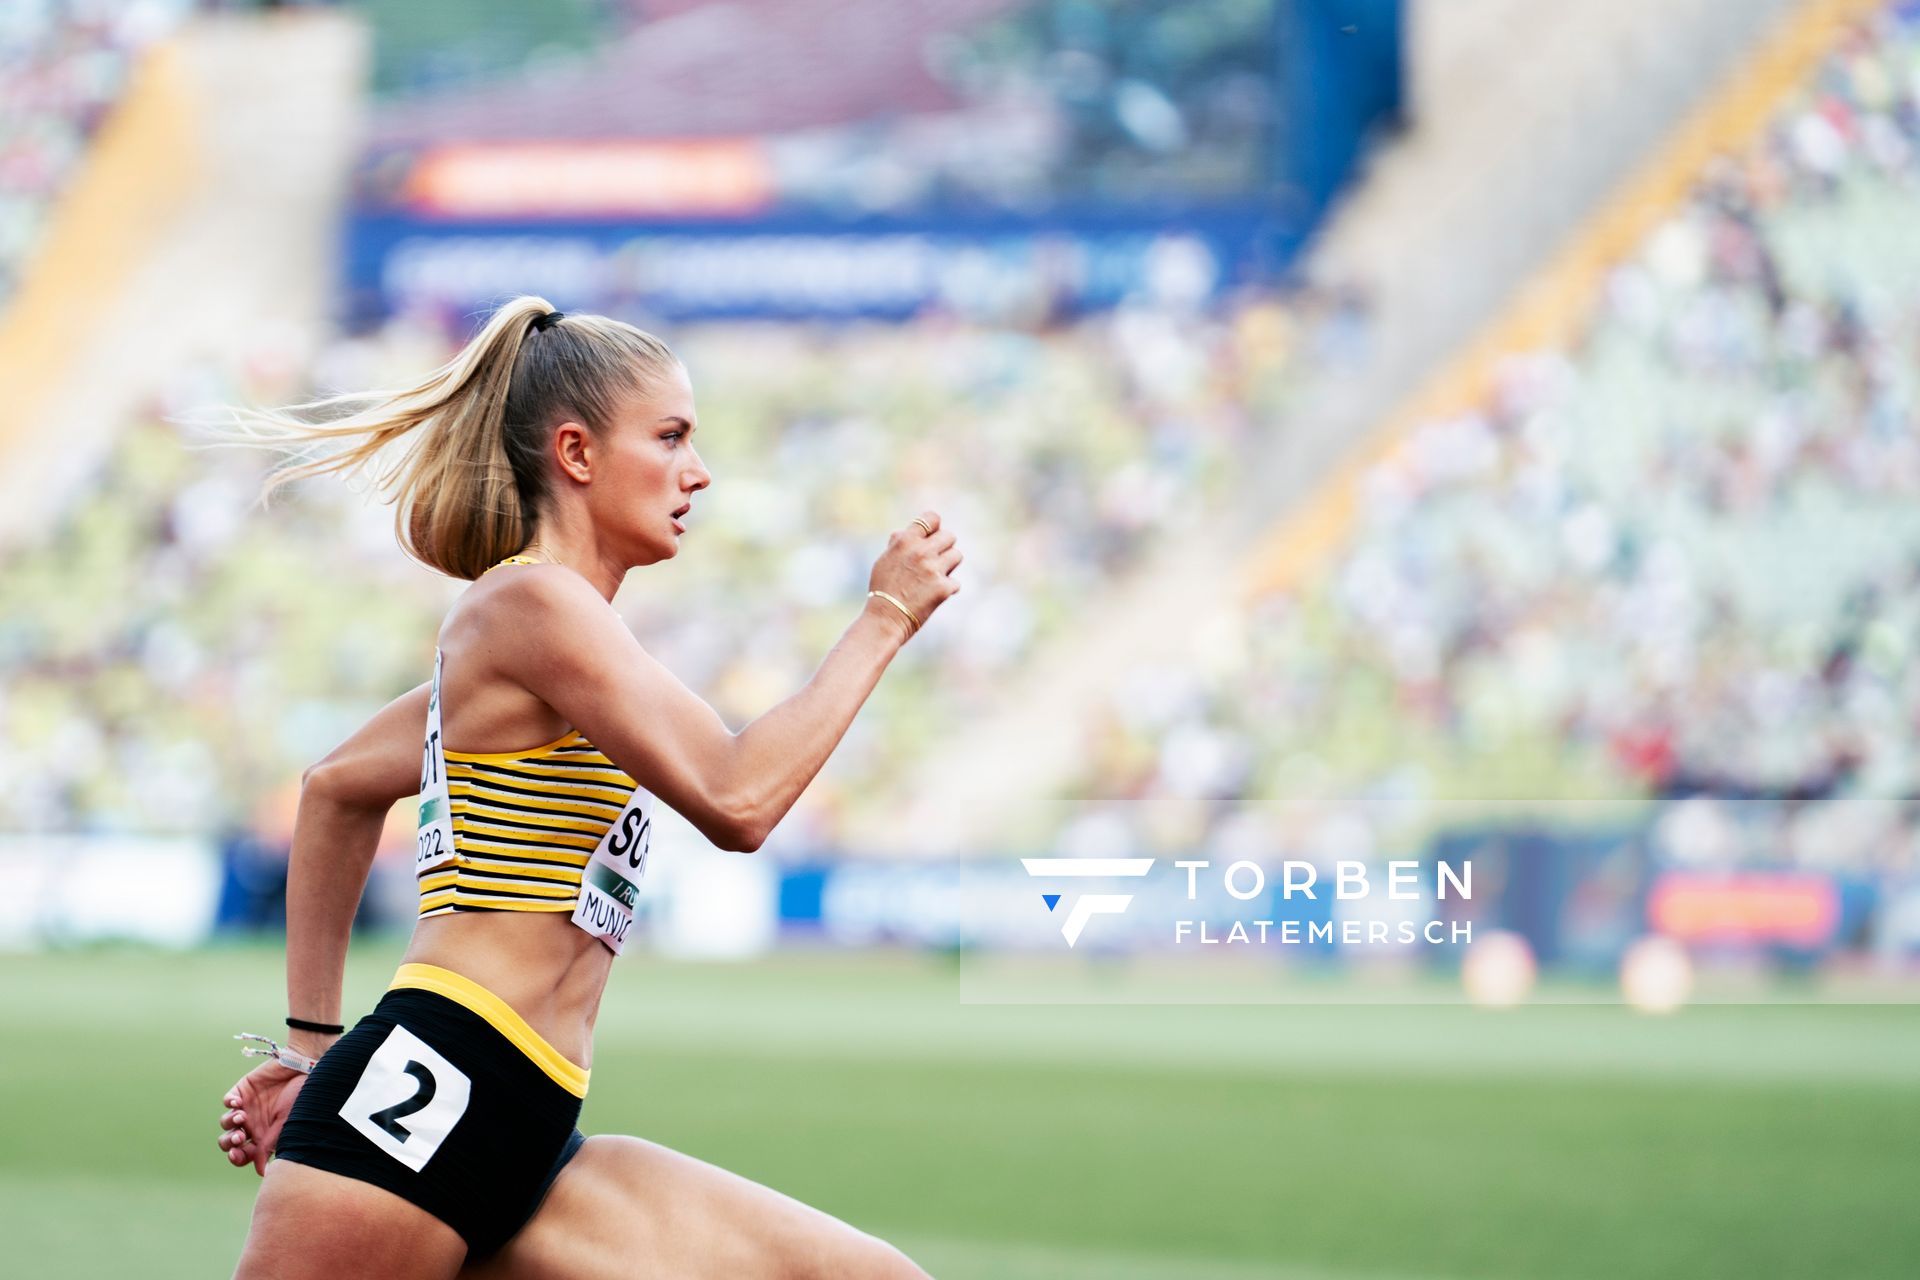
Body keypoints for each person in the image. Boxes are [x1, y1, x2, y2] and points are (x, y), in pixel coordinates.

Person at [210, 297, 958, 1277]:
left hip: (526, 1114)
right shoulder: (528, 603)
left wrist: (309, 1053)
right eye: (672, 436)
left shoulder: (555, 639)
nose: (698, 470)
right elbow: (738, 800)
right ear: (575, 452)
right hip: (434, 1083)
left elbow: (340, 784)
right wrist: (885, 616)